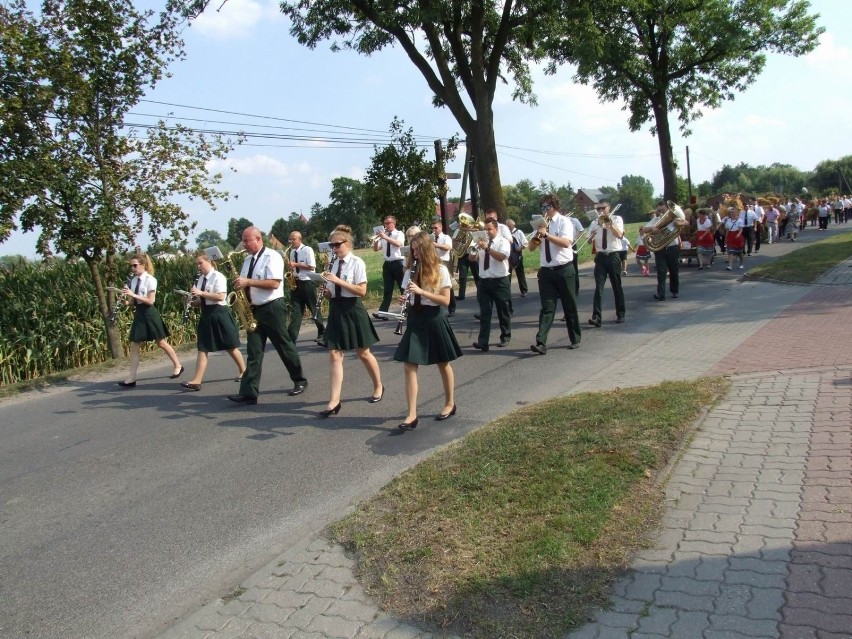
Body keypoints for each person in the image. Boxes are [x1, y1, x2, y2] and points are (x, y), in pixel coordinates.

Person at [227, 226, 307, 405]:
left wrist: (248, 281)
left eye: (247, 241)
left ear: (258, 239)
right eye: (244, 241)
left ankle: (299, 380)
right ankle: (249, 393)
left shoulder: (273, 256)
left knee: (283, 345)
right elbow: (245, 284)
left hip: (272, 307)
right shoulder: (247, 260)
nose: (244, 245)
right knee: (253, 352)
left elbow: (273, 283)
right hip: (253, 310)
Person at [393, 231, 462, 430]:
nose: (415, 254)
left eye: (418, 250)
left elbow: (446, 301)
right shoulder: (409, 272)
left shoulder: (440, 270)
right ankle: (411, 414)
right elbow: (408, 294)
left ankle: (450, 403)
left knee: (442, 363)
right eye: (412, 251)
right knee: (409, 365)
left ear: (427, 249)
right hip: (416, 319)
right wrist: (403, 300)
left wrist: (422, 292)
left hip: (434, 318)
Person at [319, 226, 383, 417]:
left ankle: (378, 385)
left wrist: (338, 281)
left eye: (337, 245)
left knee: (363, 352)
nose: (334, 249)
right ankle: (334, 400)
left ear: (346, 243)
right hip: (336, 309)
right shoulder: (331, 265)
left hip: (353, 309)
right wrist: (326, 292)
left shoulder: (357, 262)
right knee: (334, 355)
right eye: (331, 246)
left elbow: (362, 291)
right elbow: (332, 293)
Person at [180, 251, 245, 391]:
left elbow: (220, 296)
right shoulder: (201, 279)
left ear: (208, 261)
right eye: (197, 264)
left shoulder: (218, 277)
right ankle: (197, 381)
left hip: (219, 313)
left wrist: (200, 293)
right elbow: (202, 300)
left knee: (230, 345)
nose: (198, 266)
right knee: (203, 348)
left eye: (200, 263)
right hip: (207, 314)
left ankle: (243, 370)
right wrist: (191, 302)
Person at [117, 253, 183, 387]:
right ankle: (132, 378)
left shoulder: (150, 280)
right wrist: (124, 301)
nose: (132, 268)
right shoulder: (134, 280)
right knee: (135, 345)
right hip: (140, 313)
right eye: (131, 266)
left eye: (135, 265)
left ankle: (178, 365)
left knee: (161, 342)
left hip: (149, 313)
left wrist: (133, 294)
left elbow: (150, 301)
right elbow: (132, 301)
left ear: (143, 265)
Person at [529, 193, 581, 354]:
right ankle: (540, 342)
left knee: (569, 305)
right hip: (546, 271)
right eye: (543, 207)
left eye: (548, 207)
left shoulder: (564, 221)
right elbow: (531, 248)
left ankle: (575, 338)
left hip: (564, 269)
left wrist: (546, 234)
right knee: (547, 308)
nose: (545, 210)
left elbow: (566, 243)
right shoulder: (541, 225)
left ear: (555, 207)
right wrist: (538, 234)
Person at [471, 218, 512, 351]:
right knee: (485, 313)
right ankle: (483, 342)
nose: (487, 232)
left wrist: (487, 248)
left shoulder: (503, 242)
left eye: (490, 229)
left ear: (496, 229)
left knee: (503, 311)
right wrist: (474, 249)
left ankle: (505, 336)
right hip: (484, 282)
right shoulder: (482, 242)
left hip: (500, 280)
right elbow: (471, 259)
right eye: (485, 229)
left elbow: (502, 257)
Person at [587, 199, 626, 326]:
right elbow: (588, 241)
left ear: (609, 207)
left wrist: (610, 224)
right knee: (599, 287)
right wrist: (591, 236)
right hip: (600, 257)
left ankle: (620, 313)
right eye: (599, 209)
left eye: (603, 208)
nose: (601, 210)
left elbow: (620, 235)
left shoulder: (617, 219)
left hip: (613, 255)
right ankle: (596, 317)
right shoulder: (594, 222)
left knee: (616, 286)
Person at [643, 201, 688, 301]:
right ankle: (661, 294)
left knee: (674, 270)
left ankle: (674, 290)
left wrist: (679, 222)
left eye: (663, 210)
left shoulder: (674, 218)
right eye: (659, 210)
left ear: (667, 209)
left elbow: (686, 222)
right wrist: (652, 229)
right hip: (660, 249)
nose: (661, 212)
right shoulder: (656, 220)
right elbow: (643, 230)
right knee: (661, 271)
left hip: (672, 247)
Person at [286, 231, 325, 345]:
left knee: (314, 308)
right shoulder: (292, 252)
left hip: (307, 282)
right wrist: (291, 272)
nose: (291, 242)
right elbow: (293, 267)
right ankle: (291, 337)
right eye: (290, 239)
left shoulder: (307, 250)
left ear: (299, 239)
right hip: (296, 283)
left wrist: (296, 265)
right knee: (296, 311)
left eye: (293, 239)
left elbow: (311, 266)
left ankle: (322, 332)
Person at [372, 215, 406, 320]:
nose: (386, 225)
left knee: (403, 288)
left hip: (398, 263)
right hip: (387, 264)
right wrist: (376, 239)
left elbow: (398, 244)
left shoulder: (399, 233)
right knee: (387, 290)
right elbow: (376, 249)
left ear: (394, 223)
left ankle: (407, 310)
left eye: (388, 223)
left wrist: (385, 237)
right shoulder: (384, 236)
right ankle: (383, 313)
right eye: (385, 223)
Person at [429, 219, 457, 316]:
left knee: (448, 285)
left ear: (441, 228)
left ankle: (452, 308)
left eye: (436, 228)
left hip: (444, 262)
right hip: (433, 263)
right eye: (432, 228)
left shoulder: (446, 237)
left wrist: (435, 244)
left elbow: (447, 247)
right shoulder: (431, 238)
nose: (434, 230)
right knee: (434, 285)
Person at [505, 218, 528, 297]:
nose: (508, 228)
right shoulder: (505, 233)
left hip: (517, 255)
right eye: (507, 226)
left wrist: (519, 248)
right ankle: (507, 291)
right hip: (508, 256)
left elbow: (525, 243)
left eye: (510, 226)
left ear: (513, 225)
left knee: (520, 274)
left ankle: (524, 290)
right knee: (507, 275)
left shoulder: (519, 232)